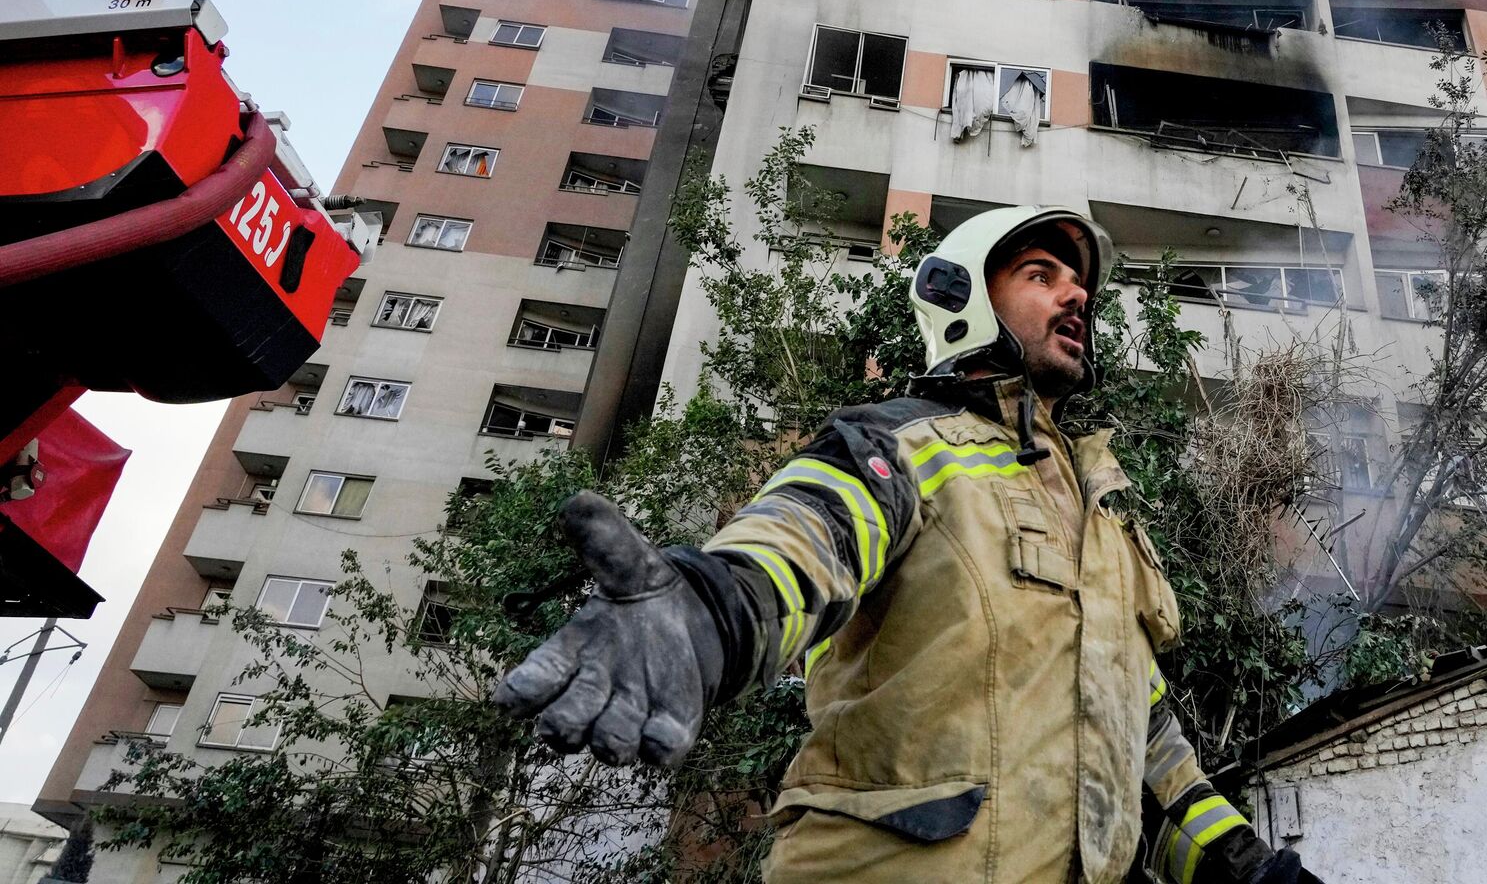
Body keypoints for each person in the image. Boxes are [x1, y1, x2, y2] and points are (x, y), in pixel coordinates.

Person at [495, 206, 1325, 884]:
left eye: (1078, 284)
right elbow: (807, 536)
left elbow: (1143, 741)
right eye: (1041, 276)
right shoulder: (902, 444)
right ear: (963, 297)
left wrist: (1247, 870)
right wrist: (706, 613)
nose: (1076, 295)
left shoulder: (1103, 514)